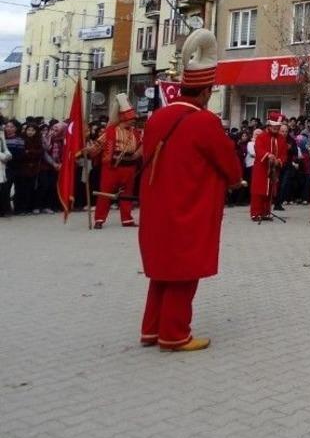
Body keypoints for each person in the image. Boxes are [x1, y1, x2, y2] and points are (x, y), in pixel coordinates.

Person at [138, 29, 242, 352]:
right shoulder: (204, 122)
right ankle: (174, 333)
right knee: (183, 271)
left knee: (162, 271)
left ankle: (151, 329)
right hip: (189, 207)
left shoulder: (157, 117)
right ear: (206, 90)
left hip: (157, 208)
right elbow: (230, 165)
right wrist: (236, 180)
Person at [92, 93, 142, 229]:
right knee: (105, 193)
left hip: (129, 167)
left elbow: (142, 146)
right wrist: (87, 152)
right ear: (124, 117)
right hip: (112, 167)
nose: (134, 120)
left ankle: (127, 219)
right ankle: (99, 219)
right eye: (131, 118)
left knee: (127, 194)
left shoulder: (135, 133)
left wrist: (137, 154)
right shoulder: (110, 132)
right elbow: (98, 145)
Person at [250, 111, 286, 222]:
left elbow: (284, 154)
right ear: (269, 125)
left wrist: (279, 160)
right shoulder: (261, 136)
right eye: (274, 126)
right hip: (261, 167)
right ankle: (256, 213)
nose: (276, 128)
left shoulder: (281, 138)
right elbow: (258, 149)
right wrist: (268, 155)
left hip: (274, 169)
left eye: (278, 126)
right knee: (259, 190)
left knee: (270, 190)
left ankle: (266, 212)